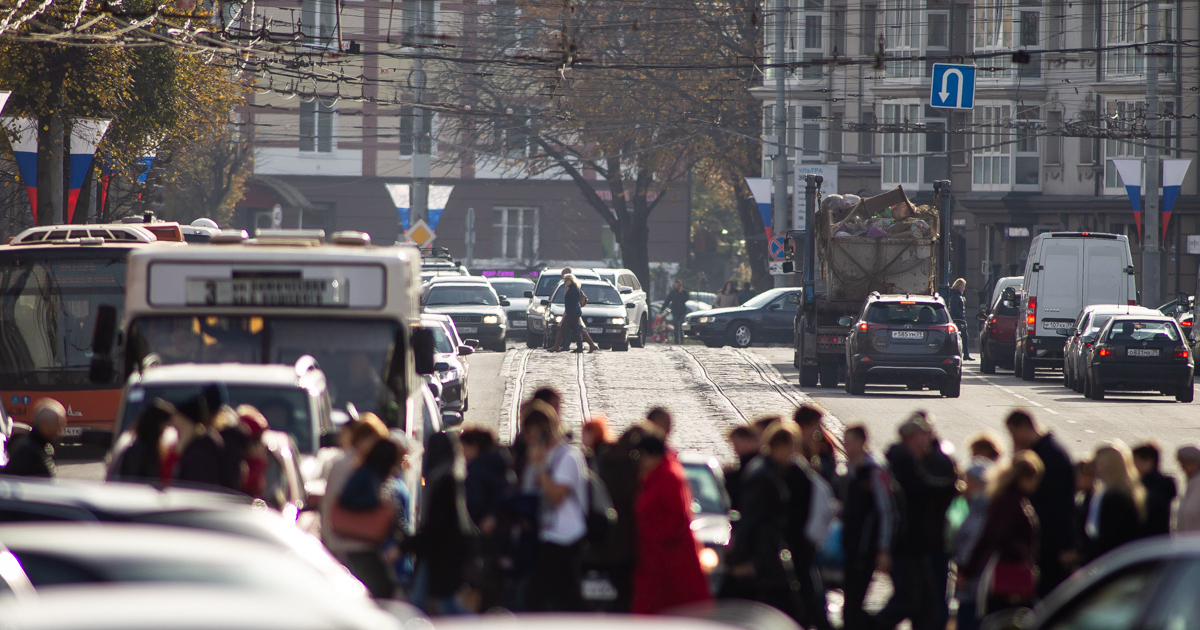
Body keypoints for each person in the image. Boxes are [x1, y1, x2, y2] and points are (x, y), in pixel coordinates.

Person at [872, 411, 958, 630]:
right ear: (912, 437)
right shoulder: (902, 459)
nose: (927, 442)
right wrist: (952, 487)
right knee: (909, 599)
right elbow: (920, 488)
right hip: (905, 544)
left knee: (925, 603)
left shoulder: (908, 458)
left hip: (916, 544)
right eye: (923, 437)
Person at [728, 420, 815, 624]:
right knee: (788, 613)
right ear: (780, 445)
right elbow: (750, 518)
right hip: (765, 558)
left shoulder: (770, 470)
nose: (793, 454)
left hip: (768, 556)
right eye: (791, 448)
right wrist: (741, 559)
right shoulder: (763, 475)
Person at [630, 422, 711, 614]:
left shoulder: (668, 477)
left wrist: (652, 537)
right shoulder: (657, 476)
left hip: (669, 565)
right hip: (657, 561)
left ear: (651, 455)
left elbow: (676, 519)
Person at [958, 451, 1044, 622]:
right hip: (1007, 574)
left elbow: (987, 536)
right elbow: (996, 536)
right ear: (1025, 478)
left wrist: (969, 570)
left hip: (997, 572)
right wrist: (1020, 552)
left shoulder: (1003, 498)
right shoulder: (1014, 502)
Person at [522, 400, 589, 611]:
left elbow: (555, 496)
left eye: (532, 433)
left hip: (567, 537)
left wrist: (540, 467)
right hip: (548, 534)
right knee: (550, 598)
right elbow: (528, 490)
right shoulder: (544, 455)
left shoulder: (569, 456)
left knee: (557, 599)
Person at [1006, 409, 1075, 596]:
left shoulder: (1049, 456)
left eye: (1014, 434)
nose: (1014, 441)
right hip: (1042, 539)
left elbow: (1060, 505)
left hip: (1051, 542)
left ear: (1025, 427)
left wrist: (1064, 545)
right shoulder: (1040, 451)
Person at [406, 431, 475, 614]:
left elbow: (437, 524)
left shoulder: (443, 481)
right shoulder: (451, 476)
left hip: (442, 552)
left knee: (445, 604)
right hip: (438, 552)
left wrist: (407, 544)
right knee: (422, 601)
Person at [840, 425, 896, 630]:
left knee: (853, 604)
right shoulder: (850, 469)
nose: (846, 446)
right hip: (851, 544)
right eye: (845, 441)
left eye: (850, 442)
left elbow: (886, 512)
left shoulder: (874, 470)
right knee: (851, 603)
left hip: (866, 546)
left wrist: (883, 548)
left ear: (862, 442)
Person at [339, 437, 406, 599]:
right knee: (381, 586)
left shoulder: (375, 475)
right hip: (360, 542)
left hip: (371, 543)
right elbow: (346, 499)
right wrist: (376, 502)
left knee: (382, 586)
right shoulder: (366, 473)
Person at [322, 414, 390, 564]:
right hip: (347, 545)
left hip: (342, 542)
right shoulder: (350, 465)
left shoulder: (350, 463)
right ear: (364, 439)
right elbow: (334, 503)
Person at [1083, 442, 1146, 562]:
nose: (1094, 469)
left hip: (1112, 560)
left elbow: (1109, 536)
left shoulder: (1117, 497)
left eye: (1097, 464)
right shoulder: (1108, 492)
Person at [952, 460, 994, 630]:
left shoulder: (981, 504)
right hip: (973, 577)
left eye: (966, 480)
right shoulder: (974, 503)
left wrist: (964, 571)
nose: (963, 485)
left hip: (973, 580)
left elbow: (973, 539)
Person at [109, 398, 176, 485]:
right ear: (156, 425)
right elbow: (131, 482)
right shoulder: (137, 451)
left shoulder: (152, 448)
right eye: (165, 425)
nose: (165, 430)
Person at [3, 398, 66, 478]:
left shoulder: (45, 447)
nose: (60, 428)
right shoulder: (28, 451)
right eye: (58, 423)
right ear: (44, 423)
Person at [1132, 442, 1176, 537]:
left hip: (1145, 538)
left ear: (1148, 461)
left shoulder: (1146, 485)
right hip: (1162, 537)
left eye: (1135, 460)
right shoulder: (1166, 482)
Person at [794, 405, 837, 485]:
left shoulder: (825, 449)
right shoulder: (791, 452)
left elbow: (828, 479)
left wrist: (814, 452)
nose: (817, 431)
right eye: (814, 426)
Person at [1174, 446, 1200, 532]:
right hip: (1186, 542)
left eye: (1184, 464)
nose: (1181, 468)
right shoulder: (1190, 483)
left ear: (1194, 463)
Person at [948, 278, 971, 360]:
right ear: (959, 286)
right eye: (963, 286)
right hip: (958, 320)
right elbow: (954, 309)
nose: (964, 288)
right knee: (964, 336)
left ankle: (966, 354)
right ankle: (966, 354)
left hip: (959, 319)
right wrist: (961, 316)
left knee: (964, 336)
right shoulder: (955, 296)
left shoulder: (958, 296)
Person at [666, 279, 690, 344]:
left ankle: (682, 339)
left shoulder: (684, 292)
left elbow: (687, 299)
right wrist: (662, 309)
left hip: (682, 311)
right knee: (676, 326)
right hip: (675, 311)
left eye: (678, 285)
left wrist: (681, 293)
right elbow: (667, 300)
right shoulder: (673, 292)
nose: (677, 286)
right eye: (676, 285)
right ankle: (676, 340)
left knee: (682, 326)